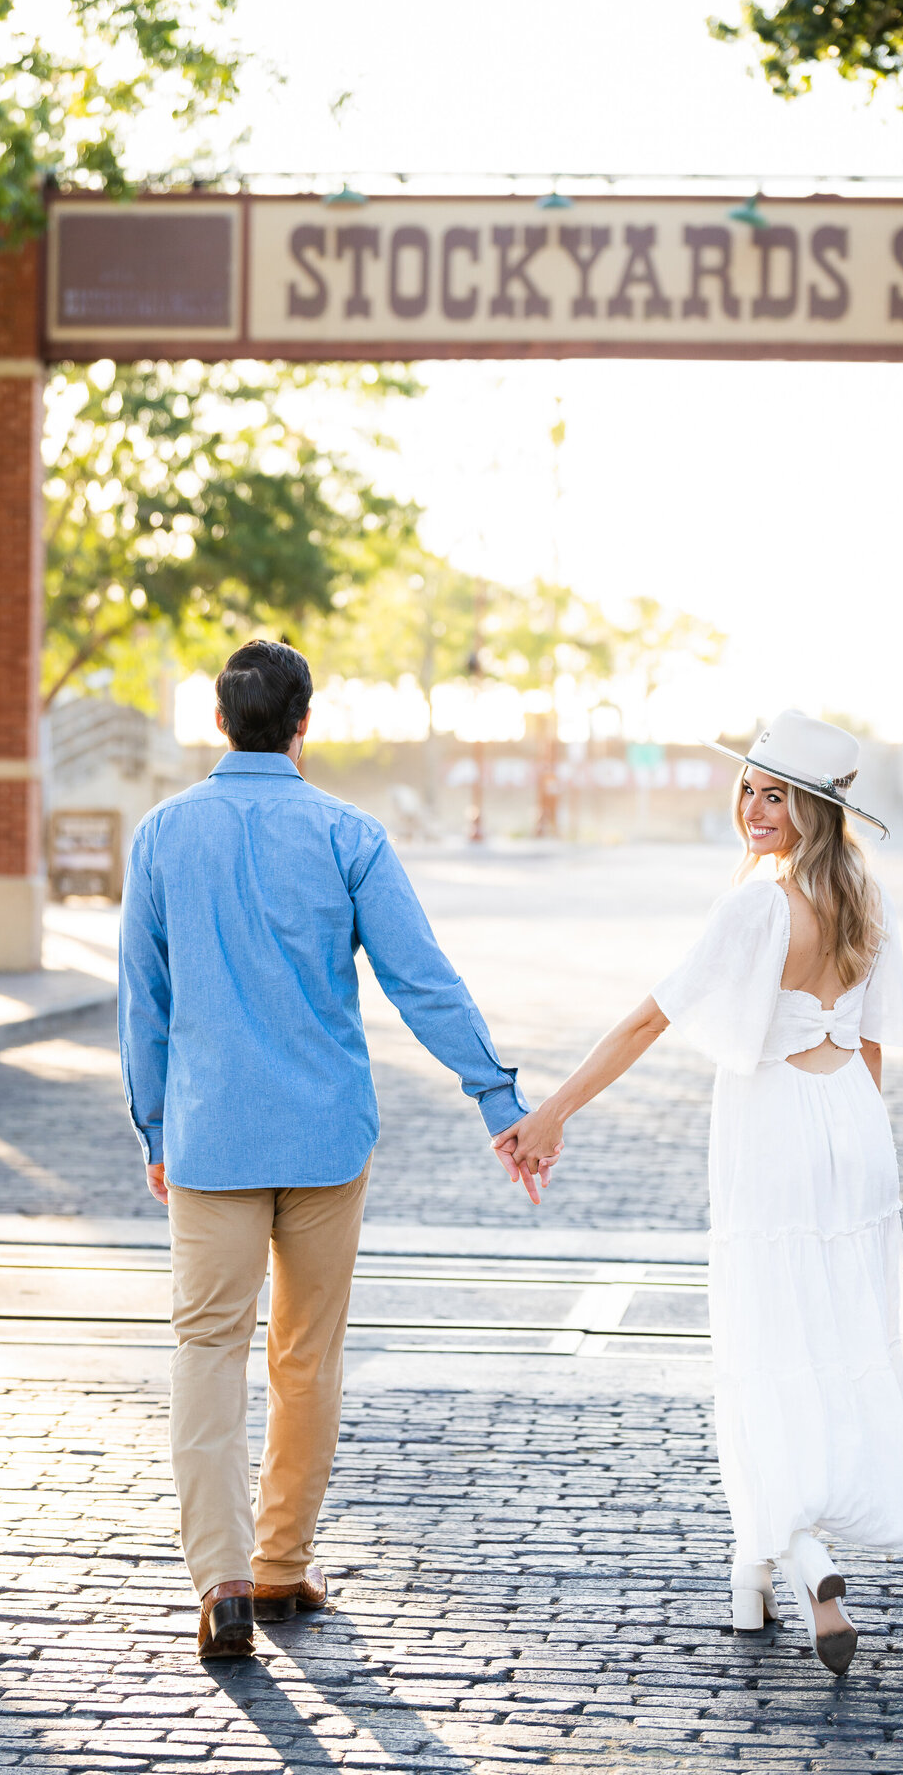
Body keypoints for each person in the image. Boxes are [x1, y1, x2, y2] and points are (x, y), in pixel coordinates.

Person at [118, 639, 545, 1661]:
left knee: (206, 1352)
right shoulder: (349, 835)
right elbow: (422, 980)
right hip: (324, 1142)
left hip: (210, 1140)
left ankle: (219, 1581)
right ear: (304, 724)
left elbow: (144, 1001)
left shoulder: (164, 835)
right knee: (305, 1357)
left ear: (220, 722)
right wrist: (499, 1097)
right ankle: (279, 1563)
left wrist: (156, 1127)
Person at [498, 710, 903, 1675]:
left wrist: (554, 1112)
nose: (753, 806)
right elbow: (870, 1043)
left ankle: (808, 1558)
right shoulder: (869, 897)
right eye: (748, 786)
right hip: (854, 1126)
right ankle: (754, 1577)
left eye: (775, 794)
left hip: (777, 1125)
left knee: (762, 1343)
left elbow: (648, 1020)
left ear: (813, 811)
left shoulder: (758, 907)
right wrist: (856, 1143)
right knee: (828, 1340)